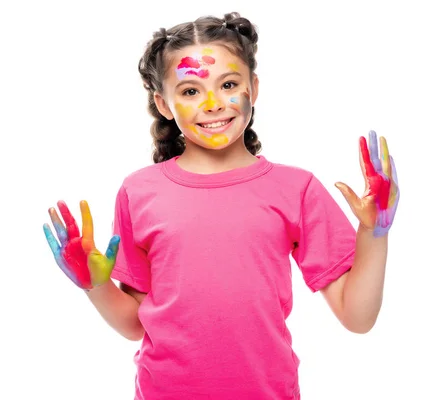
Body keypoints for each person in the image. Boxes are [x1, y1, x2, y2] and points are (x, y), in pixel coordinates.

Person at [43, 11, 400, 400]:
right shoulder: (139, 191)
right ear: (163, 104)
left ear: (254, 87)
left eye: (228, 84)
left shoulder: (296, 188)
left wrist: (374, 232)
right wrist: (94, 284)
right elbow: (133, 324)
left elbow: (357, 317)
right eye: (191, 91)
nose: (213, 104)